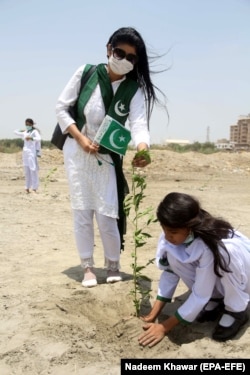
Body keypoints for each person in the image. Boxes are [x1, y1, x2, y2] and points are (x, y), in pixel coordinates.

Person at [55, 27, 166, 288]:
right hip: (78, 153)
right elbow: (61, 108)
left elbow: (139, 124)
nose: (125, 59)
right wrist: (80, 139)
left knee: (107, 214)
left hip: (107, 157)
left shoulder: (133, 89)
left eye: (132, 57)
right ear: (108, 49)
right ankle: (87, 266)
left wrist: (142, 149)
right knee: (82, 211)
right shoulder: (87, 73)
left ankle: (113, 263)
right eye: (119, 52)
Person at [138, 192, 250, 347]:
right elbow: (170, 272)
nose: (168, 236)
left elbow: (200, 293)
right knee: (174, 255)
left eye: (173, 232)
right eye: (165, 230)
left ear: (190, 227)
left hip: (242, 277)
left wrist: (164, 327)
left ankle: (236, 310)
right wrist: (154, 312)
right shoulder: (171, 237)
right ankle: (216, 299)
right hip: (214, 278)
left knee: (224, 255)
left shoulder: (211, 244)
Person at [14, 118, 41, 193]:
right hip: (25, 153)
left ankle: (35, 188)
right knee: (26, 170)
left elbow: (39, 138)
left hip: (31, 153)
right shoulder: (25, 132)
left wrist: (31, 138)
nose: (27, 126)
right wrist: (21, 130)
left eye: (29, 125)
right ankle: (27, 187)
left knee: (33, 169)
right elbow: (15, 132)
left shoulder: (34, 131)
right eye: (26, 125)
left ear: (32, 125)